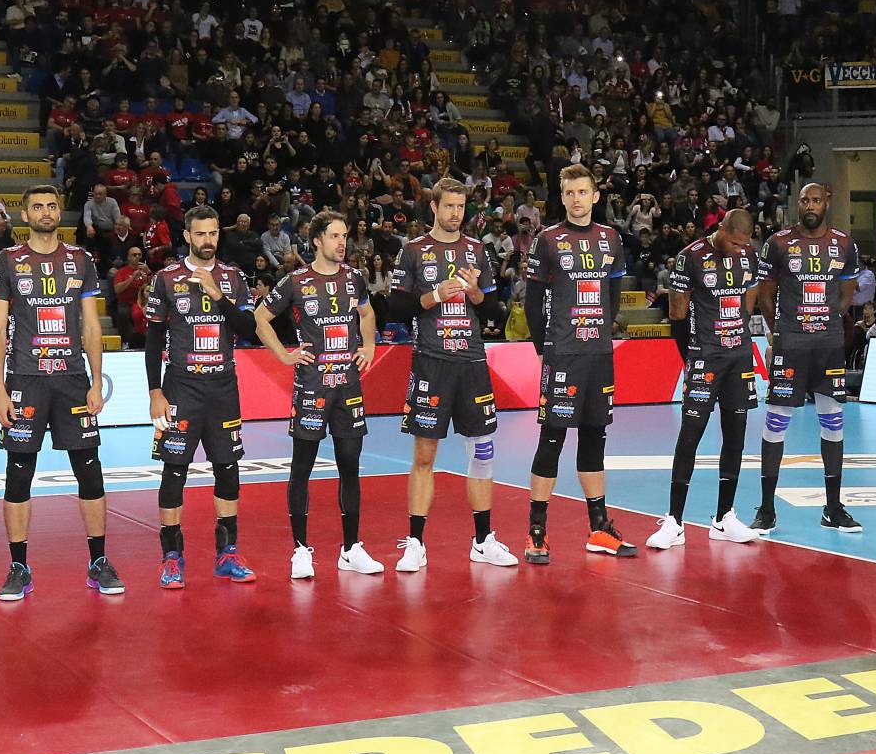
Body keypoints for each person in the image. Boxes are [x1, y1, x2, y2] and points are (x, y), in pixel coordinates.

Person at [0, 185, 123, 600]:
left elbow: (91, 326)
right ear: (25, 214)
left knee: (90, 470)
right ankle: (18, 567)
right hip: (25, 379)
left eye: (51, 206)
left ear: (59, 212)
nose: (45, 212)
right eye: (37, 207)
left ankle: (99, 561)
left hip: (72, 379)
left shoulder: (81, 260)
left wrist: (97, 381)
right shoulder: (7, 260)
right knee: (18, 474)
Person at [388, 178, 519, 571]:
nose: (455, 213)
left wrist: (476, 293)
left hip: (472, 362)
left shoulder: (477, 250)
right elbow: (396, 307)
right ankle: (415, 543)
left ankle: (482, 541)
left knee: (482, 451)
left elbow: (494, 310)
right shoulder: (413, 250)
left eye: (461, 207)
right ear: (434, 207)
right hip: (432, 361)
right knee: (424, 454)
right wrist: (434, 296)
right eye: (448, 206)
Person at [254, 209, 385, 580]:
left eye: (344, 236)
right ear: (316, 240)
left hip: (348, 385)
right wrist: (284, 355)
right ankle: (300, 550)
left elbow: (367, 314)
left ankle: (351, 549)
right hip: (312, 385)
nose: (342, 243)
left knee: (350, 465)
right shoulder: (296, 281)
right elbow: (260, 318)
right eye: (334, 236)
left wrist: (370, 345)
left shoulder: (355, 278)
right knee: (302, 466)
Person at [523, 163, 635, 561]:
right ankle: (537, 530)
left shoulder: (611, 238)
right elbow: (532, 300)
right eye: (569, 193)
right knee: (551, 438)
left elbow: (614, 294)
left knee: (594, 438)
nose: (576, 199)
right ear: (562, 196)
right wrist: (544, 347)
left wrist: (602, 331)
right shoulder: (547, 239)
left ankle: (598, 528)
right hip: (563, 353)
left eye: (582, 192)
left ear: (595, 196)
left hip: (598, 354)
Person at [145, 205, 259, 588]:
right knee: (174, 468)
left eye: (213, 233)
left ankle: (227, 553)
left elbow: (249, 329)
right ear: (187, 236)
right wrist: (155, 391)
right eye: (200, 234)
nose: (208, 240)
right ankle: (171, 558)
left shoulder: (233, 277)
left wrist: (218, 295)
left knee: (227, 467)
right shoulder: (166, 279)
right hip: (181, 386)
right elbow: (153, 340)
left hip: (223, 386)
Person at [752, 182, 863, 534]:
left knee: (833, 420)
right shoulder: (778, 242)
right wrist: (778, 332)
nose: (810, 205)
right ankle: (766, 509)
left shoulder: (844, 243)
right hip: (791, 344)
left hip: (828, 345)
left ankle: (833, 508)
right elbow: (765, 296)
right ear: (798, 205)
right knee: (776, 420)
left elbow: (846, 295)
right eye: (804, 201)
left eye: (815, 200)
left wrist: (826, 320)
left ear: (826, 203)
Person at [655, 208, 763, 549]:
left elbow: (749, 300)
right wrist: (690, 357)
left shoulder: (749, 255)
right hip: (704, 355)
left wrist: (737, 328)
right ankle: (674, 521)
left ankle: (724, 517)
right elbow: (677, 313)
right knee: (690, 435)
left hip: (739, 356)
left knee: (735, 436)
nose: (739, 249)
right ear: (722, 230)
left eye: (744, 244)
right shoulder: (690, 257)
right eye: (735, 242)